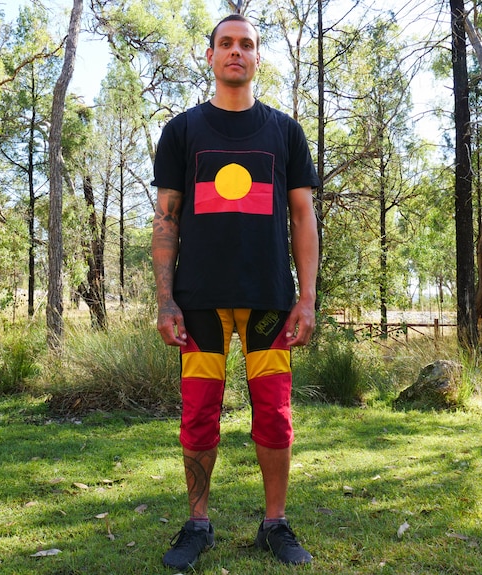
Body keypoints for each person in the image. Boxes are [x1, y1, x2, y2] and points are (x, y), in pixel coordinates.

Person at [151, 13, 320, 571]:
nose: (236, 52)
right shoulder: (182, 132)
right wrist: (165, 298)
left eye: (246, 45)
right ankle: (197, 524)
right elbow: (165, 220)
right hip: (198, 300)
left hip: (270, 297)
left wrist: (307, 297)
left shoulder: (284, 133)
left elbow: (303, 217)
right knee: (198, 415)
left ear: (256, 58)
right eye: (226, 43)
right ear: (210, 56)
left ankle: (276, 523)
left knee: (273, 414)